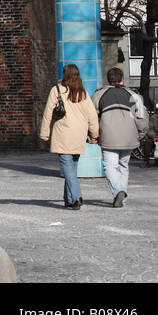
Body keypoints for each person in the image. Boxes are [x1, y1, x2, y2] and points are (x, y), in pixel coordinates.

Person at [40, 63, 100, 210]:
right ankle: (69, 199)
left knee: (68, 168)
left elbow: (48, 112)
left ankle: (76, 196)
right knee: (72, 168)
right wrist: (94, 134)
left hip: (63, 133)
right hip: (79, 134)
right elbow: (92, 115)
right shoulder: (83, 92)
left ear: (64, 74)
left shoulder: (57, 90)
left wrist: (44, 133)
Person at [93, 67, 147, 206]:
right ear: (122, 79)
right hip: (129, 137)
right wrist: (140, 134)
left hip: (108, 136)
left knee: (109, 167)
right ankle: (121, 195)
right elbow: (142, 117)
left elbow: (92, 118)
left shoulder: (99, 95)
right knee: (124, 165)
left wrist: (92, 135)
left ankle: (118, 192)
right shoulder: (134, 95)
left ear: (108, 79)